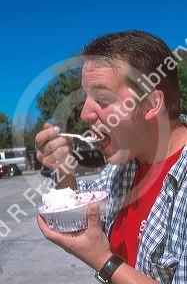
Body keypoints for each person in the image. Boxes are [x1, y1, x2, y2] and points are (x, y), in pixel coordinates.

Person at [35, 30, 187, 283]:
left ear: (151, 104)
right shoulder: (124, 165)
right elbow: (84, 214)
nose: (84, 114)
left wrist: (103, 261)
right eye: (86, 97)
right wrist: (63, 169)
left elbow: (98, 251)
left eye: (102, 99)